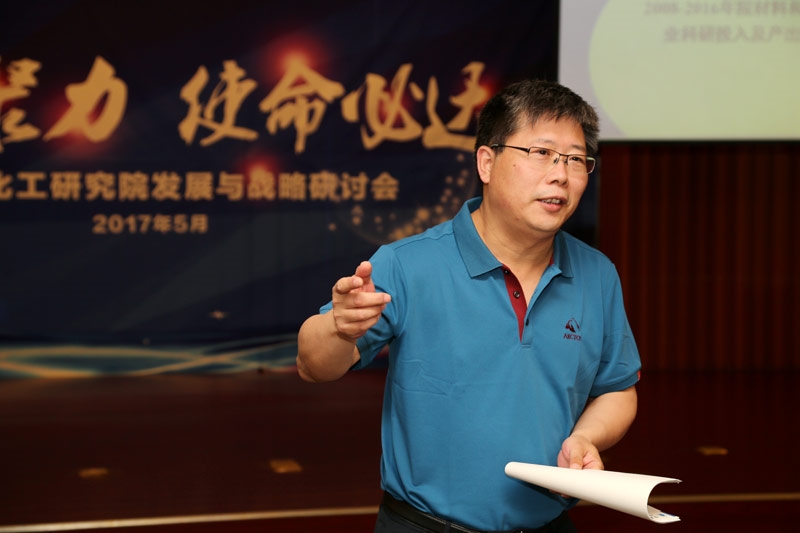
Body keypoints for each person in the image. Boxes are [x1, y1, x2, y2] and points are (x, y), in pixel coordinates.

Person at [296, 79, 641, 533]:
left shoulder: (597, 274)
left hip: (549, 524)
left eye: (575, 159)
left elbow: (617, 389)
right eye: (541, 153)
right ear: (486, 162)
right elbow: (313, 365)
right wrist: (339, 328)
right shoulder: (407, 263)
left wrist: (585, 437)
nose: (560, 174)